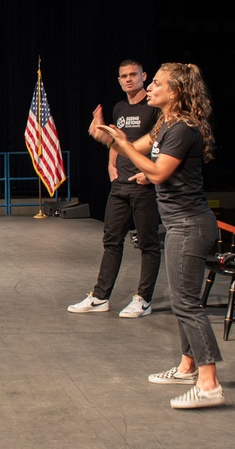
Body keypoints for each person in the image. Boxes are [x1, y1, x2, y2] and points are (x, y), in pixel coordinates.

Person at [93, 62, 223, 409]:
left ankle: (209, 384)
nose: (149, 89)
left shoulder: (182, 128)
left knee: (186, 303)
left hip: (189, 224)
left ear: (175, 92)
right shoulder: (166, 123)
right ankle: (186, 367)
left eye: (158, 84)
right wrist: (109, 138)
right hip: (181, 222)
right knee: (184, 299)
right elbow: (137, 152)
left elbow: (159, 169)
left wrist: (132, 156)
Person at [68, 59, 162, 318]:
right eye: (123, 76)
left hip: (144, 185)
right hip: (120, 185)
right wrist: (111, 164)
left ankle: (143, 299)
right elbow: (117, 140)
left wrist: (150, 173)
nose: (129, 79)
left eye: (133, 74)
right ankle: (100, 297)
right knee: (111, 241)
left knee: (148, 244)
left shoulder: (153, 107)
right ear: (119, 80)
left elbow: (160, 142)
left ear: (144, 76)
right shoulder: (119, 108)